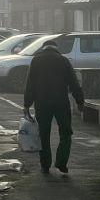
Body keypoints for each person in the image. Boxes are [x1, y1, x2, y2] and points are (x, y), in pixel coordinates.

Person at [23, 40, 85, 174]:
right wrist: (80, 101)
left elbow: (30, 84)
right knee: (66, 132)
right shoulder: (63, 61)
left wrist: (27, 104)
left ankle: (45, 164)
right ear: (56, 49)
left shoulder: (36, 61)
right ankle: (61, 162)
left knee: (43, 134)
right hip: (61, 103)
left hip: (42, 103)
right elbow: (74, 82)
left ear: (43, 48)